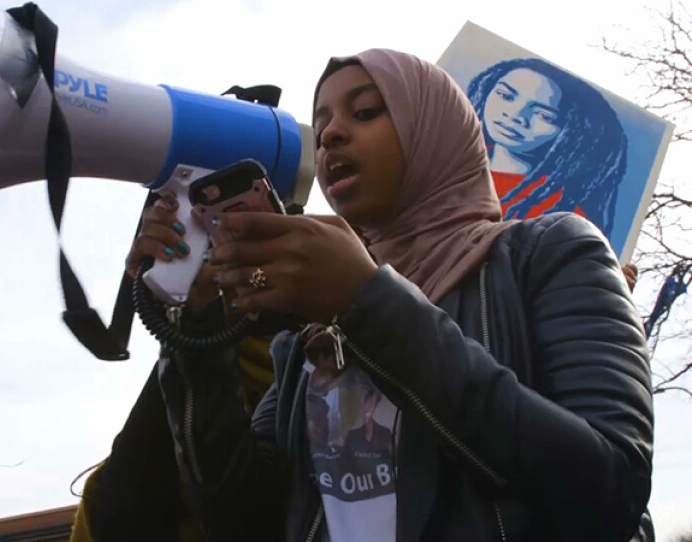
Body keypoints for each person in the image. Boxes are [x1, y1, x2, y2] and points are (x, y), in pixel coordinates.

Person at [140, 49, 653, 542]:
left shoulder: (549, 253)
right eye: (320, 129)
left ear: (434, 131)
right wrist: (195, 331)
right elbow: (242, 524)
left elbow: (609, 489)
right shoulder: (308, 335)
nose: (332, 133)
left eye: (365, 111)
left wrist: (368, 300)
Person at [465, 58, 628, 238]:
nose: (516, 115)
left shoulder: (560, 216)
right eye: (505, 95)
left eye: (543, 115)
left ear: (570, 132)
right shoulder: (451, 158)